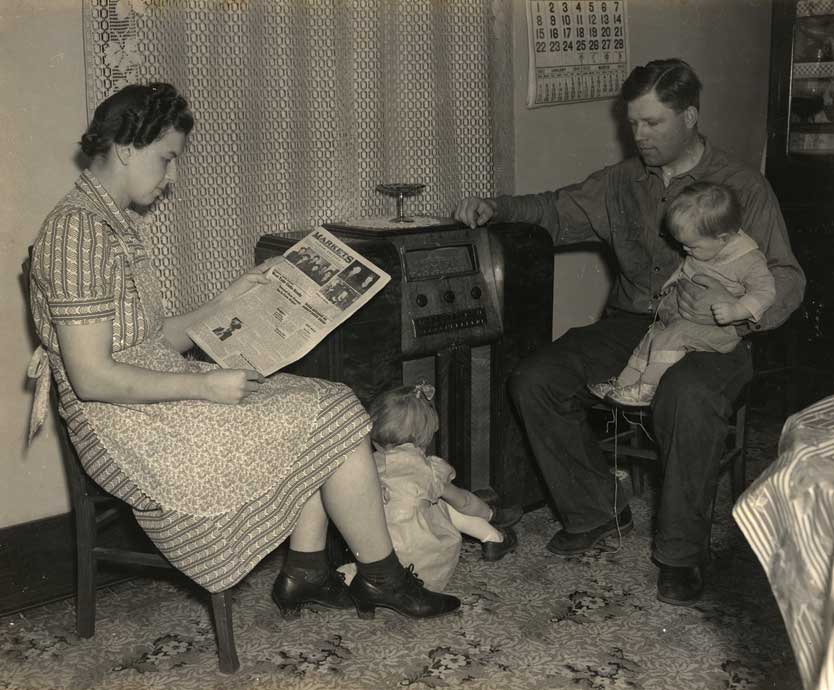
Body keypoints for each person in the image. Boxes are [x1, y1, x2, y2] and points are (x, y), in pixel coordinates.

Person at [26, 82, 460, 621]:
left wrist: (232, 299)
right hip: (119, 423)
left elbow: (153, 342)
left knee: (326, 400)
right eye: (166, 159)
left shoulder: (111, 223)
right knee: (330, 412)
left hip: (150, 390)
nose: (172, 177)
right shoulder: (77, 234)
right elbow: (91, 378)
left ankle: (307, 572)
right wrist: (204, 385)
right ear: (126, 148)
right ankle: (380, 579)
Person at [453, 58, 805, 606]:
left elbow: (786, 275)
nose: (637, 135)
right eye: (632, 122)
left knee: (685, 397)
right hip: (631, 323)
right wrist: (495, 206)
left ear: (690, 116)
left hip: (718, 335)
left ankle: (680, 553)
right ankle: (595, 507)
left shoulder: (743, 187)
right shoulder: (619, 182)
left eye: (652, 123)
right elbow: (554, 207)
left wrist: (736, 308)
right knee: (536, 378)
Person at [589, 182, 775, 407]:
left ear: (724, 238)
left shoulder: (748, 260)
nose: (686, 251)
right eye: (683, 245)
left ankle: (647, 388)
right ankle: (624, 384)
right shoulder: (706, 246)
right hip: (685, 320)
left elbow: (766, 290)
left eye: (693, 247)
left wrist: (737, 310)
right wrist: (671, 284)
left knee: (673, 335)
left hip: (722, 332)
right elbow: (687, 268)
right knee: (653, 335)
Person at [364, 383, 522, 592]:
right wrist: (490, 513)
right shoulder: (430, 470)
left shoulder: (364, 467)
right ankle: (494, 537)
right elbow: (465, 502)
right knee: (443, 502)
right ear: (426, 434)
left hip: (376, 562)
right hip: (423, 566)